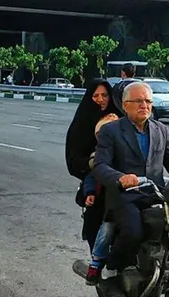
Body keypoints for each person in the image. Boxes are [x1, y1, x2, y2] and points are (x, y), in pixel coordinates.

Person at [93, 81, 169, 293]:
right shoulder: (111, 131)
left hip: (156, 194)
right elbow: (100, 166)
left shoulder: (160, 129)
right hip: (124, 196)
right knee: (133, 231)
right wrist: (120, 177)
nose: (144, 105)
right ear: (125, 105)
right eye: (138, 101)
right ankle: (113, 269)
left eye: (147, 101)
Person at [65, 78, 123, 252]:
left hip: (124, 182)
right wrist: (94, 163)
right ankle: (98, 268)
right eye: (95, 95)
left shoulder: (119, 118)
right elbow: (73, 161)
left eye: (105, 95)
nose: (101, 99)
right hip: (97, 184)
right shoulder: (81, 125)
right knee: (97, 229)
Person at [82, 113, 120, 285]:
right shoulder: (98, 157)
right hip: (108, 204)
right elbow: (92, 176)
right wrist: (90, 193)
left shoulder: (128, 151)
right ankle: (97, 262)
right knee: (106, 229)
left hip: (131, 198)